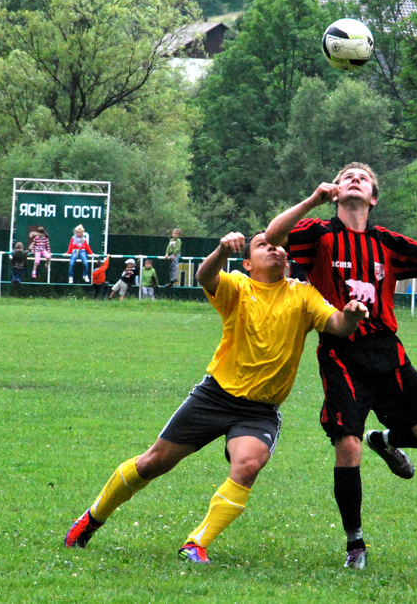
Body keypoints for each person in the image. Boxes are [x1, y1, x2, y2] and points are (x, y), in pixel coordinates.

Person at [63, 231, 369, 563]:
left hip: (260, 410)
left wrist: (351, 315)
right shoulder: (238, 286)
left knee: (249, 463)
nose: (275, 249)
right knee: (153, 462)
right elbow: (205, 276)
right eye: (264, 245)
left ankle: (196, 543)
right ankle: (92, 518)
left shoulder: (303, 294)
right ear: (248, 263)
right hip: (215, 396)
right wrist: (222, 250)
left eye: (279, 246)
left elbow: (338, 324)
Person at [265, 162, 417, 569]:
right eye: (345, 176)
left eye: (362, 177)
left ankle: (384, 441)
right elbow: (272, 236)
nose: (353, 179)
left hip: (387, 351)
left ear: (372, 197)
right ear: (336, 191)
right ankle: (356, 545)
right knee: (346, 446)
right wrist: (314, 200)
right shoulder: (317, 235)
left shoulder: (386, 242)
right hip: (340, 352)